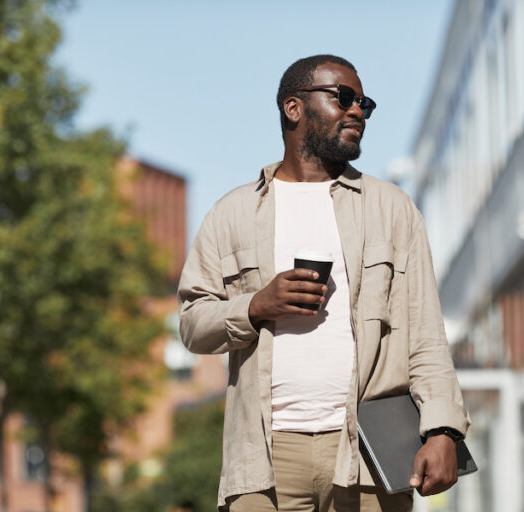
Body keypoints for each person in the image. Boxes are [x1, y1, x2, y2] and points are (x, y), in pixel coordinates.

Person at [178, 54, 470, 512]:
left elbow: (426, 334)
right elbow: (192, 324)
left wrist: (444, 429)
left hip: (368, 452)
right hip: (264, 458)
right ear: (294, 108)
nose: (357, 111)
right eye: (344, 98)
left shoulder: (392, 209)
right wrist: (257, 305)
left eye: (364, 104)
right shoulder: (231, 213)